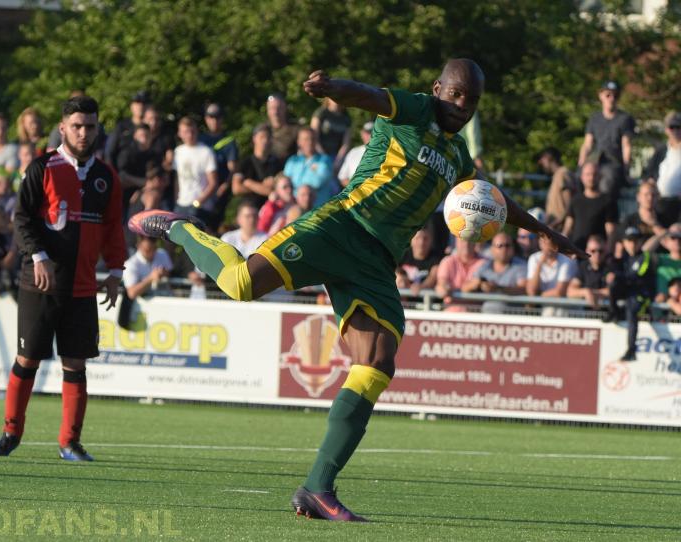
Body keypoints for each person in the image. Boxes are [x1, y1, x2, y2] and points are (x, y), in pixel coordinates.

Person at [128, 59, 584, 521]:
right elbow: (369, 95)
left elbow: (490, 198)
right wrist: (334, 89)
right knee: (240, 283)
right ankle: (183, 229)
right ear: (438, 88)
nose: (462, 106)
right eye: (457, 94)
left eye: (472, 100)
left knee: (378, 362)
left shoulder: (460, 156)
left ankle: (317, 488)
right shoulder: (414, 109)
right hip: (341, 227)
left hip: (378, 261)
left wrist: (544, 230)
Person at [0, 95, 126, 462]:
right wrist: (39, 256)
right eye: (77, 126)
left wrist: (115, 271)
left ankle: (70, 442)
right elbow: (22, 220)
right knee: (27, 358)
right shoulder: (42, 167)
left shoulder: (106, 176)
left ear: (97, 129)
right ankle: (10, 433)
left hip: (82, 286)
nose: (84, 133)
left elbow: (113, 228)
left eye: (90, 126)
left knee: (75, 364)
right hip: (40, 282)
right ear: (63, 128)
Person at [577, 80, 635, 197]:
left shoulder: (625, 119)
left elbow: (626, 145)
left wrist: (626, 168)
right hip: (595, 161)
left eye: (615, 95)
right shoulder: (594, 119)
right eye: (608, 95)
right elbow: (587, 145)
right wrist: (581, 164)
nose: (611, 98)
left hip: (613, 163)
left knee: (606, 182)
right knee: (576, 180)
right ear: (601, 96)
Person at [605, 226, 655, 361]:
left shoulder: (644, 257)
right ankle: (613, 312)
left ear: (640, 242)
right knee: (613, 284)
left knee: (631, 309)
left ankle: (631, 350)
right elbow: (611, 269)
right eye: (629, 241)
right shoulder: (624, 257)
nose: (632, 244)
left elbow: (635, 276)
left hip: (642, 295)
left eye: (635, 241)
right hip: (628, 291)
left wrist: (617, 274)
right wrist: (616, 260)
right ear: (624, 243)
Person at [462, 232, 526, 313]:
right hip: (487, 318)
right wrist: (477, 284)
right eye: (500, 246)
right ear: (492, 249)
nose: (504, 249)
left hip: (512, 317)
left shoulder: (520, 265)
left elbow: (524, 289)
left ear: (513, 248)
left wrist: (498, 288)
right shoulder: (485, 266)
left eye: (507, 245)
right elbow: (465, 288)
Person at [172, 117, 218, 229]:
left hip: (200, 206)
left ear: (196, 131)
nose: (189, 135)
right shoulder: (178, 152)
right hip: (181, 203)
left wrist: (198, 201)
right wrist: (176, 198)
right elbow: (177, 179)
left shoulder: (206, 152)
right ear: (179, 133)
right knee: (171, 236)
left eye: (192, 131)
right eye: (185, 132)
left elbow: (213, 182)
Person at [200, 103, 239, 229]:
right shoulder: (200, 140)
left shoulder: (228, 141)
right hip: (201, 191)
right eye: (211, 117)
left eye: (218, 117)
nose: (214, 121)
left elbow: (232, 168)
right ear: (206, 119)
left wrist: (225, 186)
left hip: (220, 192)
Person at [563, 161, 617, 250]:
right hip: (576, 252)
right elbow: (568, 227)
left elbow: (611, 231)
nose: (591, 178)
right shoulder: (575, 200)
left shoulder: (608, 201)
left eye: (594, 174)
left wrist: (608, 253)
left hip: (598, 254)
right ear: (582, 177)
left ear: (599, 177)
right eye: (588, 174)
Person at [642, 111, 681, 224]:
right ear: (666, 130)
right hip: (659, 203)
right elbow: (648, 174)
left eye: (678, 127)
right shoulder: (661, 150)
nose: (676, 130)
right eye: (672, 127)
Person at [231, 123, 282, 210]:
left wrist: (250, 184)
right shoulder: (245, 162)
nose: (265, 140)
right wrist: (262, 186)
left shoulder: (277, 162)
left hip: (271, 210)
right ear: (254, 139)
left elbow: (275, 191)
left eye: (268, 137)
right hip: (250, 209)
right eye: (261, 137)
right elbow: (236, 189)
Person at [526, 233, 577, 316]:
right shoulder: (534, 258)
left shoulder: (567, 259)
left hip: (563, 305)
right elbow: (531, 290)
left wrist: (537, 297)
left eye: (551, 243)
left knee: (551, 311)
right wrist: (540, 264)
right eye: (545, 242)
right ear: (539, 243)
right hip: (541, 304)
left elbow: (559, 292)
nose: (548, 246)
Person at [283, 127, 334, 208]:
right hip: (294, 208)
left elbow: (317, 182)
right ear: (299, 142)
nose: (310, 142)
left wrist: (295, 190)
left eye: (312, 139)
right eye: (306, 139)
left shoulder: (325, 160)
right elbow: (284, 183)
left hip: (317, 209)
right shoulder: (292, 161)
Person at [436, 238, 485, 312]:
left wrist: (453, 291)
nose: (466, 244)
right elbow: (442, 286)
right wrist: (443, 287)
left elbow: (486, 287)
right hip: (450, 314)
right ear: (456, 243)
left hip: (476, 315)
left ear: (475, 242)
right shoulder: (447, 261)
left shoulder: (485, 263)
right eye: (462, 240)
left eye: (469, 240)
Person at [567, 234, 613, 311]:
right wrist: (585, 292)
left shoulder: (612, 266)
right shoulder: (583, 267)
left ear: (606, 251)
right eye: (593, 251)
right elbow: (570, 292)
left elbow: (613, 291)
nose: (597, 254)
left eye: (600, 251)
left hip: (607, 314)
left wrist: (592, 293)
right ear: (587, 251)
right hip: (586, 316)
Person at [536, 146, 578, 231]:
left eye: (542, 159)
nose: (541, 163)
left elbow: (570, 204)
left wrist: (555, 223)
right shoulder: (557, 175)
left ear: (548, 158)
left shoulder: (562, 174)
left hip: (561, 229)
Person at [105, 90, 151, 165]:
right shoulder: (122, 126)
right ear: (131, 106)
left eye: (143, 104)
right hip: (123, 173)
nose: (140, 106)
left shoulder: (152, 126)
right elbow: (110, 152)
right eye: (137, 103)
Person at [123, 236, 173, 300]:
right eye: (147, 250)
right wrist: (151, 278)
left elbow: (170, 273)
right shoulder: (130, 264)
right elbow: (132, 293)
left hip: (164, 299)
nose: (151, 253)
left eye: (154, 248)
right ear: (138, 246)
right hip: (141, 305)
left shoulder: (162, 253)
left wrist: (163, 273)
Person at [310, 97, 352, 167]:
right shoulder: (321, 113)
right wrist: (324, 157)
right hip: (318, 153)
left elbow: (346, 143)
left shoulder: (346, 118)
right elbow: (313, 138)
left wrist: (338, 160)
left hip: (337, 156)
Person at [397, 228, 440, 296]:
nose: (421, 242)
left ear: (431, 241)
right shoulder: (402, 254)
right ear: (411, 240)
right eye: (417, 238)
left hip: (425, 301)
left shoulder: (436, 258)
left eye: (425, 239)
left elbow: (432, 277)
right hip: (403, 299)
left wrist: (422, 286)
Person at [338, 121, 373, 188]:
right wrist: (356, 188)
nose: (370, 136)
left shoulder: (384, 153)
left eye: (373, 133)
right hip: (354, 195)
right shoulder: (353, 152)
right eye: (368, 133)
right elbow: (342, 177)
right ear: (362, 133)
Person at [266, 93, 298, 163]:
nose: (275, 112)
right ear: (267, 110)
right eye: (272, 108)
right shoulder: (262, 131)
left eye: (279, 108)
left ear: (285, 109)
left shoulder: (296, 129)